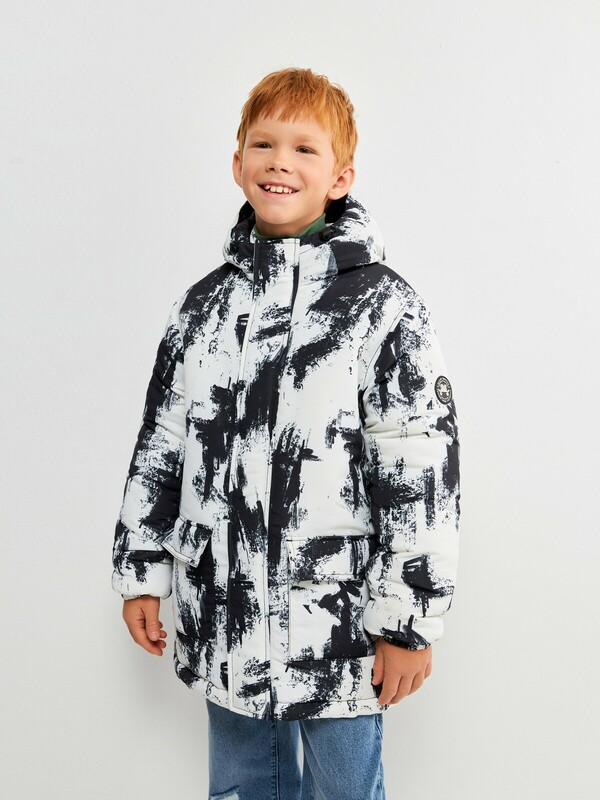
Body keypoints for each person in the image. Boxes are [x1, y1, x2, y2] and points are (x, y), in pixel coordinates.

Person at [111, 67, 460, 800]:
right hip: (226, 618)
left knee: (345, 791)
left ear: (340, 177)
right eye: (265, 144)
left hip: (337, 626)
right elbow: (162, 445)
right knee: (240, 787)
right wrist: (143, 569)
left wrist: (407, 620)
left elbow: (420, 469)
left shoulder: (381, 308)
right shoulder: (202, 309)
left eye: (305, 149)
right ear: (238, 161)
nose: (280, 163)